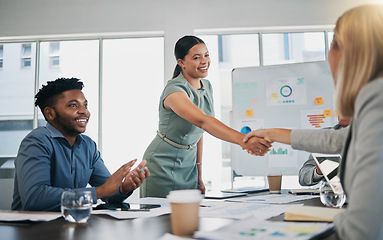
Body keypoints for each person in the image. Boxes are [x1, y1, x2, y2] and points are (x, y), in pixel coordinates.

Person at [244, 4, 383, 239]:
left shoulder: (376, 97)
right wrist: (275, 133)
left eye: (331, 45)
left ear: (345, 51)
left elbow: (362, 229)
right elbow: (340, 138)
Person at [140, 35, 271, 198]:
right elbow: (203, 121)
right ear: (181, 63)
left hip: (189, 167)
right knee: (161, 220)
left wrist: (199, 174)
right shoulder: (174, 91)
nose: (204, 61)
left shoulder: (206, 86)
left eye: (206, 55)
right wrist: (245, 141)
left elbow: (199, 132)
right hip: (162, 164)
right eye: (196, 57)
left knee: (189, 219)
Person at [12, 78, 150, 212]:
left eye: (85, 105)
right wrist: (100, 191)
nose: (84, 111)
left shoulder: (88, 146)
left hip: (73, 225)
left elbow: (108, 192)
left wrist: (123, 188)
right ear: (50, 113)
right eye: (73, 105)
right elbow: (35, 199)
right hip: (34, 230)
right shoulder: (36, 142)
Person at [298, 119, 349, 186]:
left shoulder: (365, 136)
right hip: (333, 195)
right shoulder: (325, 135)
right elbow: (303, 177)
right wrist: (318, 172)